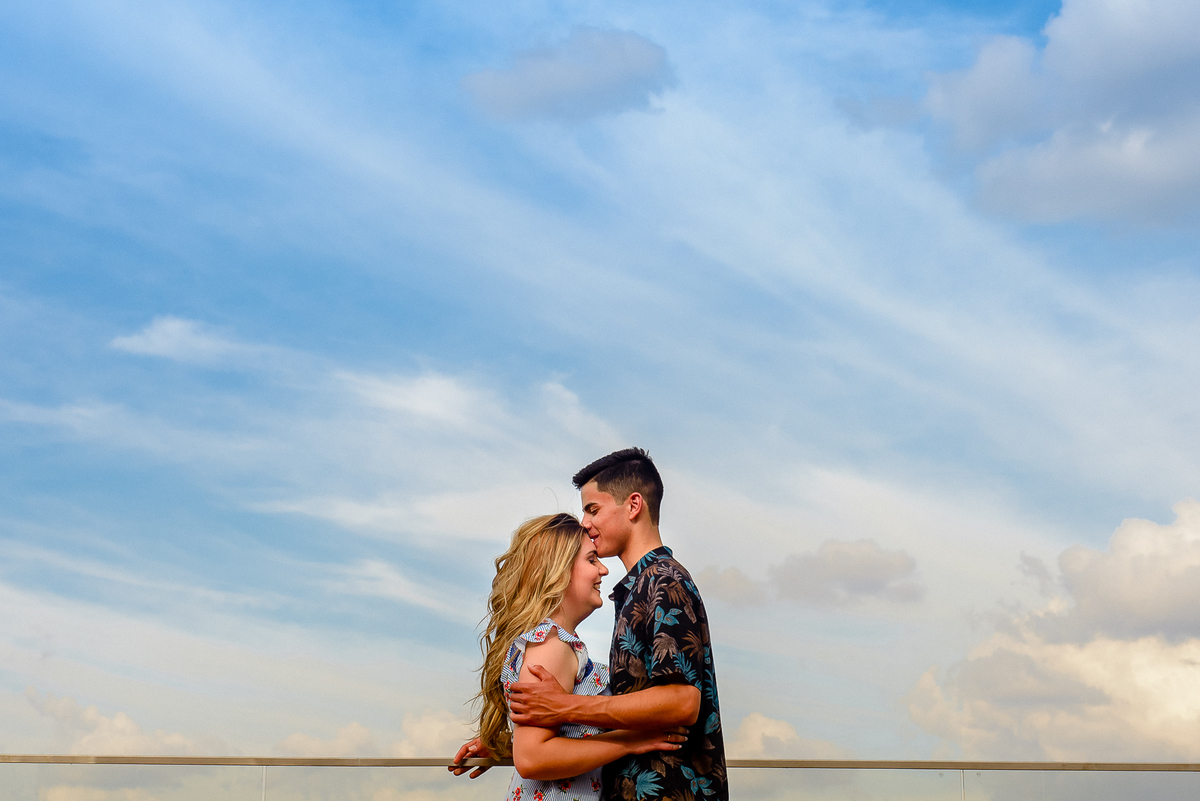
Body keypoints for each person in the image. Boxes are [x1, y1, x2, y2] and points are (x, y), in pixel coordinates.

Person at [454, 449, 728, 801]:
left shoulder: (662, 581)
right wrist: (516, 739)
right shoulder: (633, 592)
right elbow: (546, 746)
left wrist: (564, 708)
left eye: (592, 509)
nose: (584, 522)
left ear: (633, 506)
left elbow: (682, 702)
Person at [467, 512, 688, 801]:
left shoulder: (550, 643)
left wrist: (508, 744)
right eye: (591, 560)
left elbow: (556, 737)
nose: (603, 570)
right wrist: (630, 740)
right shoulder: (550, 645)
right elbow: (532, 758)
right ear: (559, 571)